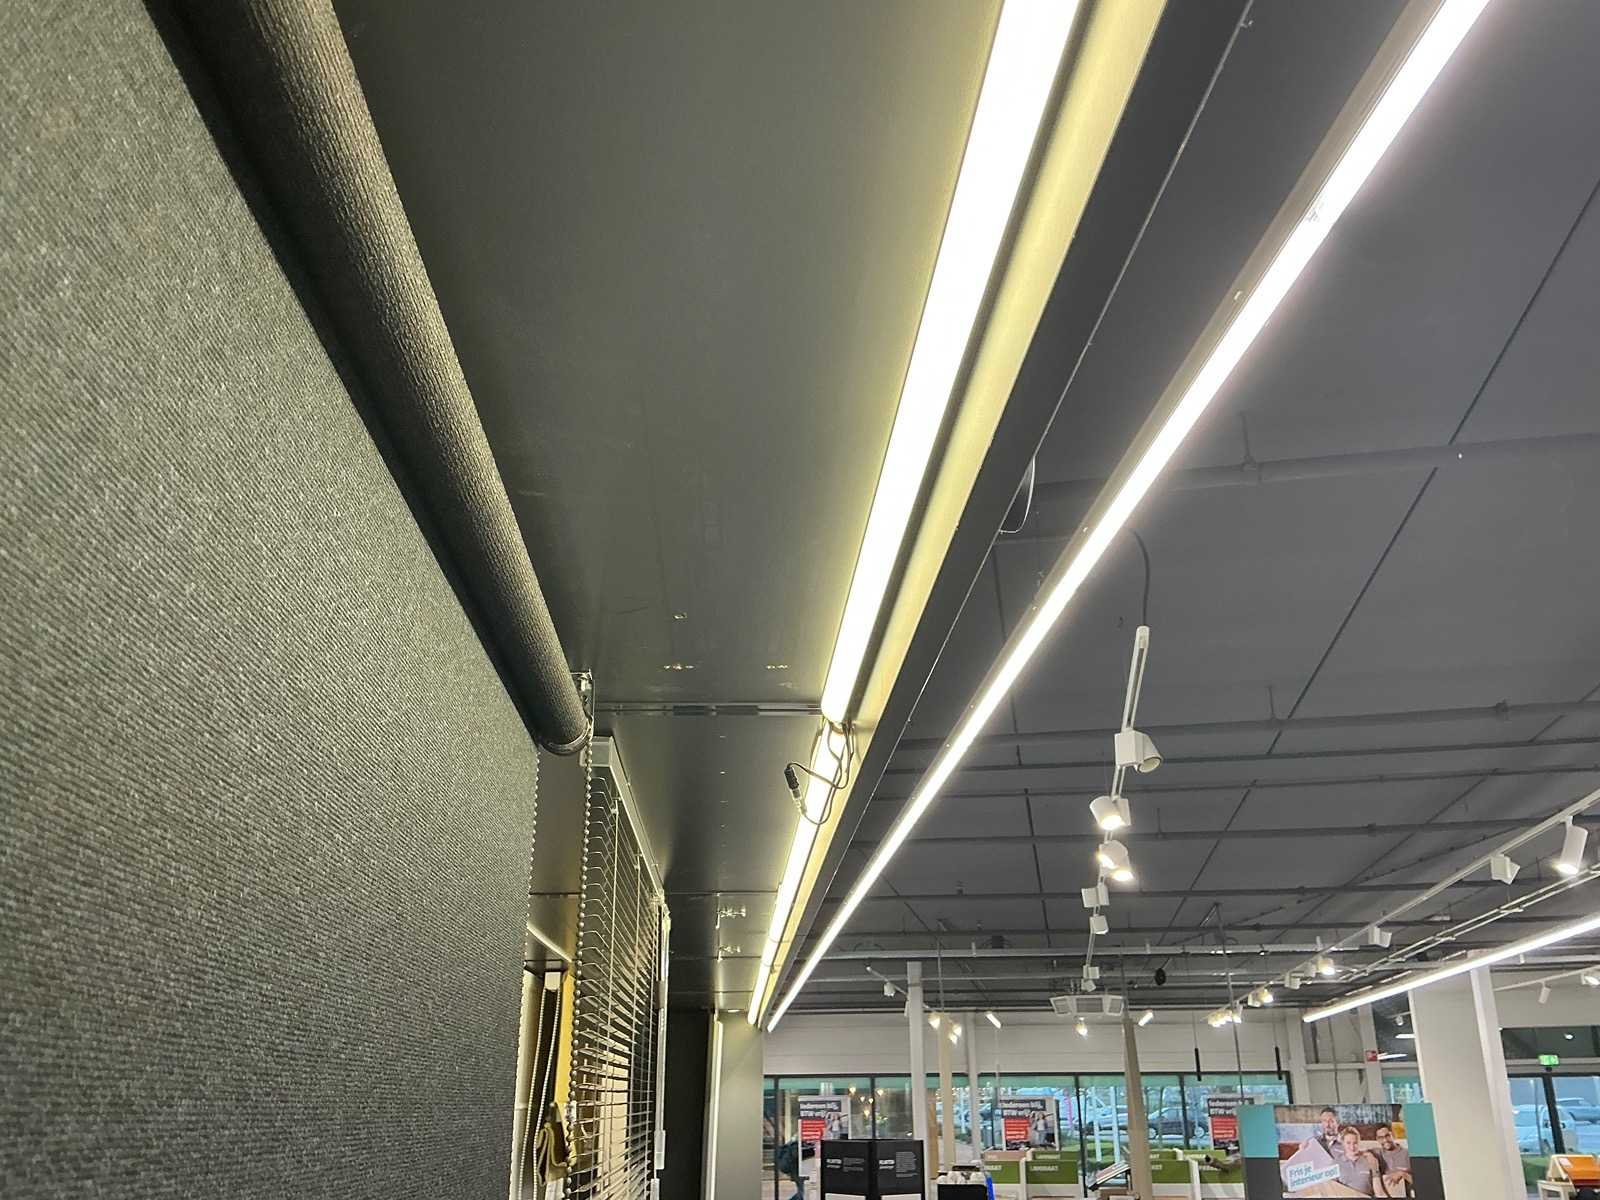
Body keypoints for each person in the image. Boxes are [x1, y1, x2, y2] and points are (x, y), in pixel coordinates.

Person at [1334, 1127, 1387, 1197]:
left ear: (1359, 1142)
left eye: (1355, 1143)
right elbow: (1331, 1190)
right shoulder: (1336, 1163)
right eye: (1348, 1143)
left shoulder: (1370, 1159)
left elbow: (1379, 1191)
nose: (1352, 1147)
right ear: (1343, 1143)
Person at [1375, 1125, 1412, 1194]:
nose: (1385, 1140)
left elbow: (1421, 1182)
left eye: (1387, 1136)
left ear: (1393, 1135)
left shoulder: (1407, 1154)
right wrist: (1369, 1155)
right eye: (1381, 1138)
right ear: (1377, 1139)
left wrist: (1403, 1174)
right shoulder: (1377, 1153)